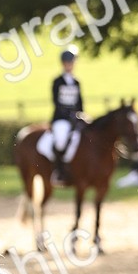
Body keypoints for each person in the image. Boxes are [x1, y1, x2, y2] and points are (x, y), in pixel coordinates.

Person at [50, 46, 83, 185]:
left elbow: (80, 102)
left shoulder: (76, 82)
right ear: (64, 63)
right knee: (61, 140)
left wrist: (81, 114)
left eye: (72, 62)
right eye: (69, 62)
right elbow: (56, 102)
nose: (70, 65)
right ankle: (59, 171)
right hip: (61, 119)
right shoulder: (57, 82)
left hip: (76, 118)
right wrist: (69, 115)